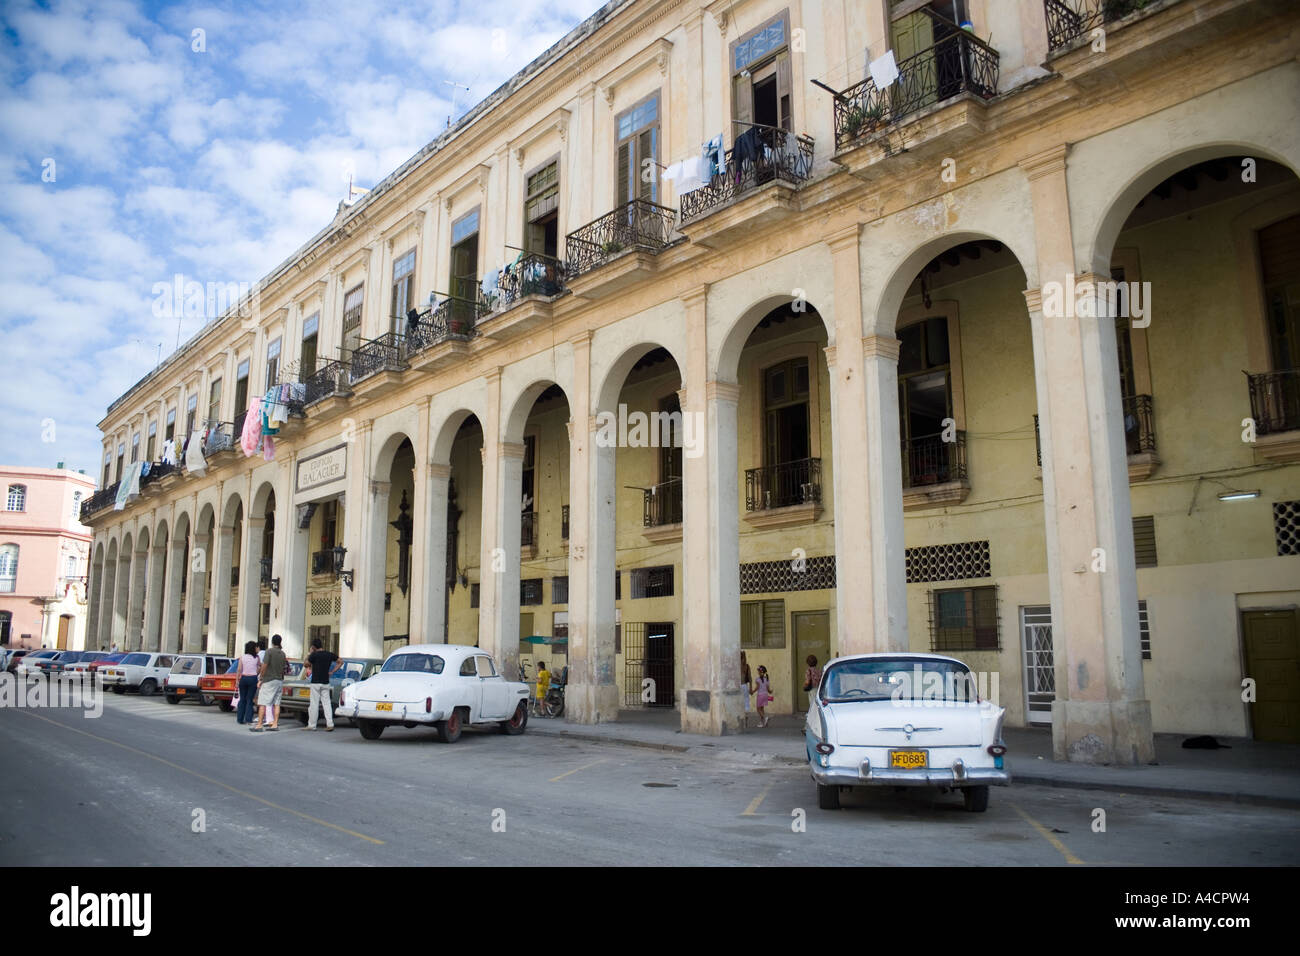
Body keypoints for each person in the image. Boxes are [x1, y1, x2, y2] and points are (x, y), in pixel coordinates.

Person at [251, 634, 288, 732]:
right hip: (279, 680)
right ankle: (275, 724)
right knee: (277, 703)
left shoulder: (269, 652)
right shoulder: (282, 653)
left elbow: (264, 666)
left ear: (272, 642)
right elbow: (284, 668)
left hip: (269, 680)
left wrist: (261, 679)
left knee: (263, 702)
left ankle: (259, 725)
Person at [304, 638, 341, 731]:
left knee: (314, 704)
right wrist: (332, 671)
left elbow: (306, 664)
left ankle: (312, 725)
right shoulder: (329, 654)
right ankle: (330, 724)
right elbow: (341, 661)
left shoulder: (314, 655)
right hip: (325, 682)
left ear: (313, 647)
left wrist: (309, 653)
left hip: (315, 683)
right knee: (327, 704)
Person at [235, 641, 260, 725]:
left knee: (242, 699)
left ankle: (240, 718)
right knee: (249, 699)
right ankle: (248, 719)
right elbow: (260, 666)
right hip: (253, 678)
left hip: (244, 678)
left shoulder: (242, 657)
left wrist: (237, 680)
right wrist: (256, 672)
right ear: (253, 648)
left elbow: (239, 669)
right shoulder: (256, 657)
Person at [740, 651, 754, 729]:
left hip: (738, 687)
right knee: (746, 704)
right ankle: (745, 722)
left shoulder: (737, 665)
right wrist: (751, 688)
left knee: (739, 704)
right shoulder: (747, 666)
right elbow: (750, 678)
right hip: (744, 686)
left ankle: (741, 722)